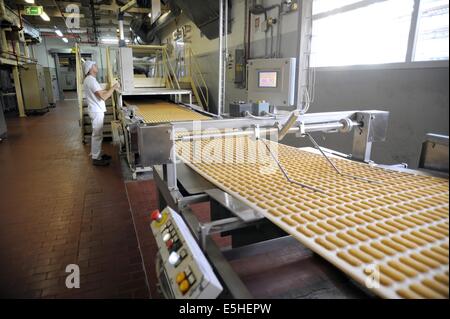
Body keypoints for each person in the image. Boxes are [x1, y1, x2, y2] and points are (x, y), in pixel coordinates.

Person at [83, 60, 119, 166]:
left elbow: (100, 92)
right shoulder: (91, 80)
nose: (96, 66)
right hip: (96, 110)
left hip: (95, 109)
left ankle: (97, 154)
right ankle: (96, 158)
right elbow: (103, 97)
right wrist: (114, 87)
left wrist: (109, 89)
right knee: (97, 135)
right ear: (90, 69)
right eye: (94, 65)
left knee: (97, 134)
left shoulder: (90, 80)